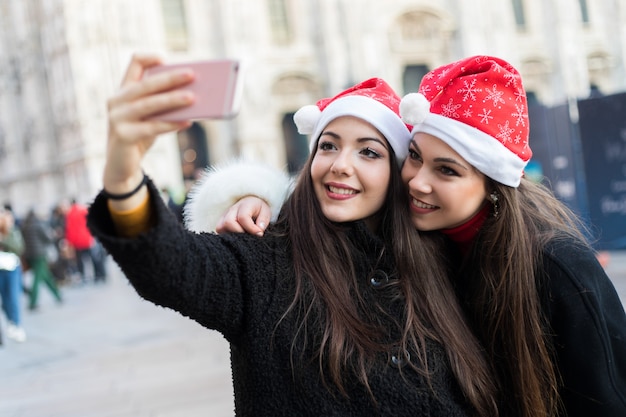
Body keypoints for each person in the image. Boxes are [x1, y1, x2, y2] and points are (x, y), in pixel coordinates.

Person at [206, 56, 626, 417]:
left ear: (494, 186)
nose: (417, 182)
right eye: (416, 158)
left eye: (446, 171)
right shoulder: (418, 242)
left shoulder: (555, 266)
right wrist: (263, 198)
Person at [86, 54, 498, 416]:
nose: (339, 164)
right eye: (328, 146)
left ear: (396, 171)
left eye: (368, 151)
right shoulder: (266, 260)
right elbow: (171, 265)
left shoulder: (434, 260)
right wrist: (123, 175)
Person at [20, 209, 63, 310]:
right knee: (37, 278)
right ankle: (33, 302)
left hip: (29, 255)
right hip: (40, 254)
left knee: (45, 276)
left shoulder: (25, 226)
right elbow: (48, 238)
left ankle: (57, 295)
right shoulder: (38, 225)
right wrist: (54, 235)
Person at [0, 208, 27, 342]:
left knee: (12, 297)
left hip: (11, 268)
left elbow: (18, 248)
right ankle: (11, 321)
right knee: (4, 300)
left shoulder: (12, 232)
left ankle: (17, 325)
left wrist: (3, 239)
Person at [65, 199, 107, 284]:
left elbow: (70, 230)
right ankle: (99, 276)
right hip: (88, 238)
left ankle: (83, 277)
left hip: (78, 241)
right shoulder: (83, 210)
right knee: (94, 258)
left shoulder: (70, 214)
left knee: (80, 261)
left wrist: (70, 242)